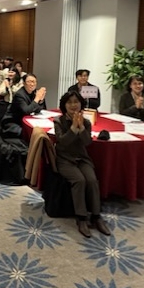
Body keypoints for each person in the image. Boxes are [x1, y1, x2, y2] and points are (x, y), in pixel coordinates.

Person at [54, 91, 110, 238]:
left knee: (92, 180)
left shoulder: (86, 122)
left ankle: (96, 216)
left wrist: (81, 128)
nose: (73, 105)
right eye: (69, 102)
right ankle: (81, 217)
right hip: (65, 159)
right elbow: (63, 143)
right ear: (64, 105)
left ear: (81, 104)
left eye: (76, 102)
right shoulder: (58, 121)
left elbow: (87, 142)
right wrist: (73, 128)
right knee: (79, 180)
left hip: (82, 159)